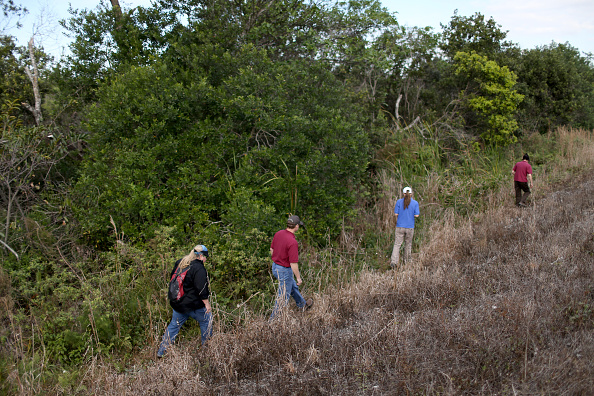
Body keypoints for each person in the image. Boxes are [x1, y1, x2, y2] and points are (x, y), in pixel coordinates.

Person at [157, 245, 212, 358]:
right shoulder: (199, 268)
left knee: (174, 326)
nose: (206, 259)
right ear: (201, 256)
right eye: (206, 257)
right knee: (207, 321)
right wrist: (207, 304)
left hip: (179, 304)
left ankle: (162, 352)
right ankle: (207, 352)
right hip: (194, 305)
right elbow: (202, 288)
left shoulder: (181, 262)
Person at [270, 215, 313, 318]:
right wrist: (298, 278)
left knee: (292, 286)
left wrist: (278, 258)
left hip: (275, 267)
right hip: (284, 270)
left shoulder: (278, 234)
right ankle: (272, 324)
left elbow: (272, 250)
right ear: (296, 226)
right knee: (282, 298)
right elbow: (293, 264)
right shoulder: (292, 242)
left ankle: (302, 305)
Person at [390, 187, 420, 268]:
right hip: (410, 227)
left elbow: (396, 214)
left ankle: (394, 262)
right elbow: (416, 215)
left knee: (397, 244)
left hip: (400, 226)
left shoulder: (399, 202)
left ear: (403, 193)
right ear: (411, 193)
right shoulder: (415, 203)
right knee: (408, 244)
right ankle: (406, 262)